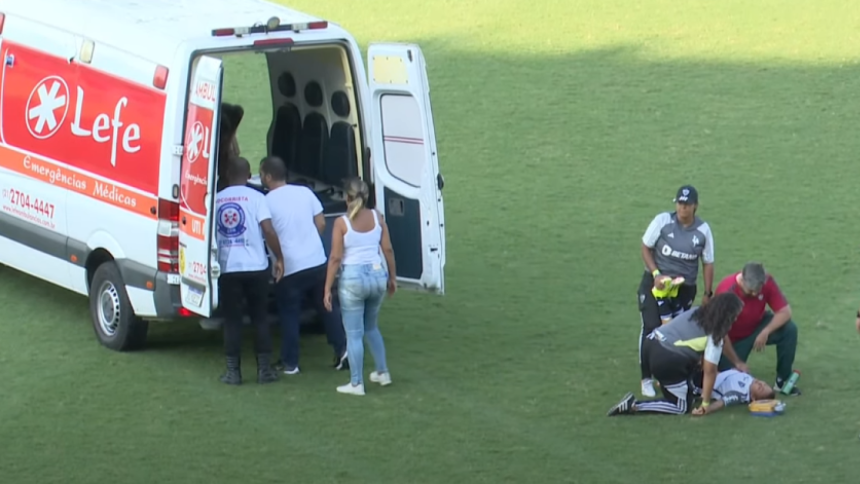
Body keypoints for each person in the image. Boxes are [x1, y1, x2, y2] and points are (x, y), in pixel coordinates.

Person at [258, 156, 348, 374]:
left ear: (268, 176)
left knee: (289, 314)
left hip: (290, 268)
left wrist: (279, 257)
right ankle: (344, 352)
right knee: (327, 307)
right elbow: (321, 223)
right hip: (317, 262)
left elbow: (268, 232)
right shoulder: (305, 193)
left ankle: (290, 363)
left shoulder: (265, 201)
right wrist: (309, 243)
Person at [607, 292, 743, 416]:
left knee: (694, 364)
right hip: (665, 358)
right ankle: (634, 406)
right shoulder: (714, 335)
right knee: (681, 407)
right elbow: (710, 371)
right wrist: (705, 404)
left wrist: (736, 362)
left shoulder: (698, 311)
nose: (736, 319)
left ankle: (670, 384)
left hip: (650, 344)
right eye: (735, 316)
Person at [637, 185, 716, 397]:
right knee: (652, 327)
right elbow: (645, 247)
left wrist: (708, 293)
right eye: (680, 204)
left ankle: (676, 376)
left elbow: (708, 262)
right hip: (656, 284)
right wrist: (656, 274)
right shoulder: (663, 221)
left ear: (695, 207)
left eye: (687, 205)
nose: (682, 208)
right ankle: (646, 378)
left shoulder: (703, 231)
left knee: (677, 333)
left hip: (684, 289)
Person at [214, 156, 285, 385]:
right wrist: (280, 257)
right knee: (260, 318)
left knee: (232, 320)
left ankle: (233, 372)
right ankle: (264, 371)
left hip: (228, 268)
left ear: (226, 175)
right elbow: (268, 230)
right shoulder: (257, 198)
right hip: (256, 267)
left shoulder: (215, 200)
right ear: (248, 175)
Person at [323, 178, 397, 396]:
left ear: (347, 197)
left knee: (354, 334)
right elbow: (388, 250)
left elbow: (336, 257)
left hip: (353, 280)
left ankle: (356, 383)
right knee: (371, 327)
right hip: (377, 276)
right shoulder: (377, 217)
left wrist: (327, 288)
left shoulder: (341, 223)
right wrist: (392, 278)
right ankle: (382, 372)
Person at [715, 262, 801, 395]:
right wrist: (737, 362)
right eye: (750, 290)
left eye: (758, 290)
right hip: (732, 340)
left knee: (789, 329)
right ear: (742, 280)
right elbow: (720, 332)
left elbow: (785, 312)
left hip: (757, 326)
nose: (755, 294)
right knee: (727, 382)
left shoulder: (768, 282)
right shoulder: (726, 291)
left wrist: (766, 331)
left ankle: (783, 379)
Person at [689, 368, 776, 416]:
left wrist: (706, 409)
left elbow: (722, 402)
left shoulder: (740, 394)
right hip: (712, 369)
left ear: (753, 398)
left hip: (702, 380)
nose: (761, 384)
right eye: (765, 384)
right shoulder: (751, 380)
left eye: (760, 389)